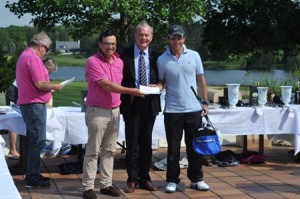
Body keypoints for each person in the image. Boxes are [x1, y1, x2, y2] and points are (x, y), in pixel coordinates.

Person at [82, 30, 144, 199]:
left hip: (115, 111)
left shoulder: (118, 61)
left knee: (109, 150)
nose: (110, 47)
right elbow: (107, 85)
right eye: (107, 43)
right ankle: (88, 187)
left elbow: (120, 84)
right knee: (93, 151)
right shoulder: (92, 61)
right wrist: (133, 91)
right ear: (99, 44)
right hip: (97, 112)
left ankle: (106, 184)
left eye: (113, 44)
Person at [156, 25, 210, 193]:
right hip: (172, 109)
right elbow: (161, 82)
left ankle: (196, 179)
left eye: (179, 38)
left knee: (194, 146)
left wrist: (205, 102)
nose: (176, 41)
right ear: (168, 39)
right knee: (173, 148)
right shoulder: (161, 59)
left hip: (193, 108)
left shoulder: (194, 56)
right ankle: (172, 180)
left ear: (184, 39)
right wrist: (156, 87)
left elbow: (201, 79)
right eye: (173, 37)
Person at [16, 32, 63, 189]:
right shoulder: (33, 58)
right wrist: (56, 86)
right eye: (47, 49)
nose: (46, 53)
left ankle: (33, 172)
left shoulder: (24, 56)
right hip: (34, 104)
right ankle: (32, 176)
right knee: (37, 141)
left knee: (34, 140)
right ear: (40, 46)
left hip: (29, 103)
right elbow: (40, 84)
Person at [120, 20, 161, 193]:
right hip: (131, 104)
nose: (143, 37)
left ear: (151, 37)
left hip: (150, 104)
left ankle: (145, 178)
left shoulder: (157, 56)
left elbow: (163, 79)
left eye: (147, 35)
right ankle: (132, 179)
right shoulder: (124, 55)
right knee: (132, 145)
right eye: (140, 34)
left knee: (146, 145)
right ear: (135, 36)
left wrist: (159, 86)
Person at [5, 57, 58, 160]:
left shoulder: (39, 70)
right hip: (15, 92)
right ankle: (12, 150)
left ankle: (23, 151)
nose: (49, 74)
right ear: (46, 67)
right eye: (49, 71)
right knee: (13, 119)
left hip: (21, 93)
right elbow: (37, 86)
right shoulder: (37, 70)